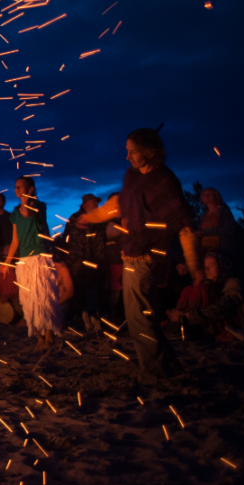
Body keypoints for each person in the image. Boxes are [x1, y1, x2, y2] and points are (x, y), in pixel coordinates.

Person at [76, 128, 198, 383]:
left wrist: (195, 267)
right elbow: (117, 205)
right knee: (143, 317)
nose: (128, 157)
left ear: (150, 151)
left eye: (132, 151)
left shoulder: (164, 182)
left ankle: (155, 373)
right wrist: (91, 217)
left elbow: (185, 226)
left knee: (139, 319)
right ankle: (170, 367)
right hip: (131, 255)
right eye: (126, 151)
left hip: (147, 258)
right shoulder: (133, 177)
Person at [0, 176, 61, 350]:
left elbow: (28, 212)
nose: (17, 189)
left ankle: (48, 337)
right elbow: (14, 242)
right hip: (24, 260)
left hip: (40, 257)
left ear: (31, 188)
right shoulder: (14, 213)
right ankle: (40, 338)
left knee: (43, 297)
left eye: (21, 186)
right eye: (15, 186)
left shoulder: (39, 206)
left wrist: (29, 199)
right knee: (28, 300)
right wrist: (6, 264)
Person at [167, 253, 244, 340]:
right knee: (190, 289)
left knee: (202, 289)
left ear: (221, 266)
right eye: (205, 266)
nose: (207, 269)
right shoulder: (211, 285)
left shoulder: (233, 283)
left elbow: (224, 307)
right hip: (214, 326)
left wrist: (189, 316)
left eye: (212, 265)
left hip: (235, 328)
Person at [67, 194, 105, 332]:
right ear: (85, 204)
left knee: (92, 291)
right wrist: (78, 260)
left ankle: (91, 319)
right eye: (94, 201)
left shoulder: (97, 219)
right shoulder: (76, 218)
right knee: (81, 291)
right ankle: (81, 319)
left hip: (95, 261)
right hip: (80, 261)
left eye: (97, 202)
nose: (96, 204)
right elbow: (72, 239)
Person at [196, 188, 238, 258]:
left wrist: (208, 231)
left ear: (216, 196)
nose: (207, 196)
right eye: (204, 194)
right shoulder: (203, 215)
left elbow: (230, 229)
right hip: (206, 249)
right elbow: (201, 230)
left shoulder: (224, 211)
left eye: (209, 194)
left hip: (222, 249)